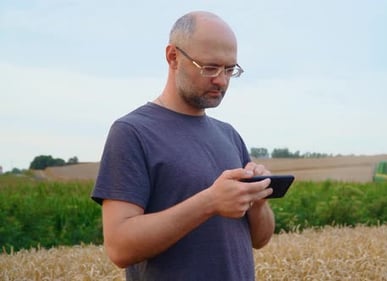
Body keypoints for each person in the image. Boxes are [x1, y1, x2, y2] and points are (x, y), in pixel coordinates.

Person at [91, 11, 276, 281]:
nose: (221, 81)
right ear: (173, 57)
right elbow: (120, 247)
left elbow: (259, 240)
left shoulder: (229, 135)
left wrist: (258, 201)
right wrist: (210, 201)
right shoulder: (132, 132)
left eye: (229, 69)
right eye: (210, 68)